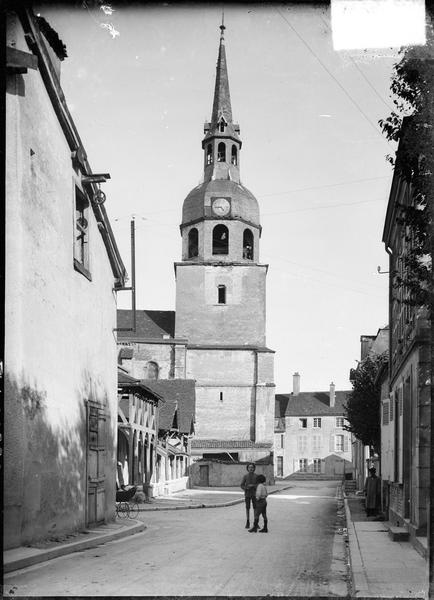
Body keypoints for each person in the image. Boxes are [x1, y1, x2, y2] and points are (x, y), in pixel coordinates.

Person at [240, 463, 257, 529]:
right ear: (247, 469)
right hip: (247, 494)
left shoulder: (256, 476)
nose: (251, 469)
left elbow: (259, 485)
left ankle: (255, 522)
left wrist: (253, 486)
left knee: (255, 508)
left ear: (254, 468)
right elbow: (241, 485)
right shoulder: (245, 476)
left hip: (254, 494)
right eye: (249, 467)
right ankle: (248, 521)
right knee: (247, 508)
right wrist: (246, 488)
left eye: (252, 467)